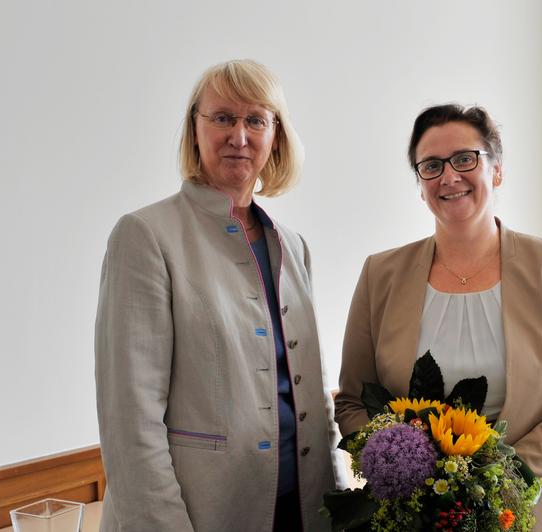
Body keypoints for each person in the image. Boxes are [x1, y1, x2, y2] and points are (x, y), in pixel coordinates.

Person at [334, 104, 542, 531]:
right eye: (431, 166)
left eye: (465, 158)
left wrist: (501, 478)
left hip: (523, 507)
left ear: (496, 171)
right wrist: (402, 472)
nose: (449, 176)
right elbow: (352, 401)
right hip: (412, 513)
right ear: (421, 185)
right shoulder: (380, 274)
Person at [95, 59, 335, 532]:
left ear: (276, 136)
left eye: (256, 120)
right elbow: (130, 419)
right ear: (195, 129)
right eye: (223, 117)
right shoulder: (145, 235)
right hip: (202, 514)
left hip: (302, 508)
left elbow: (312, 389)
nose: (239, 136)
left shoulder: (293, 244)